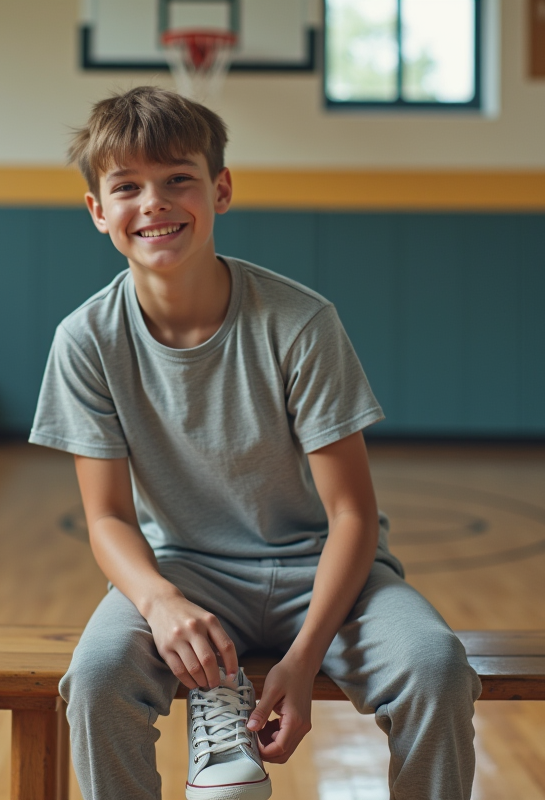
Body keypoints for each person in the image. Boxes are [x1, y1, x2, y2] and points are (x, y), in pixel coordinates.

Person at [29, 85, 480, 800]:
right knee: (95, 679)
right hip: (185, 572)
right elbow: (108, 518)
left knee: (437, 665)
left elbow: (353, 516)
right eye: (128, 187)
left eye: (179, 178)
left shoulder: (300, 323)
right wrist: (158, 602)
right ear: (97, 211)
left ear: (221, 189)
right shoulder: (86, 340)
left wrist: (303, 659)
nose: (155, 202)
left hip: (321, 571)